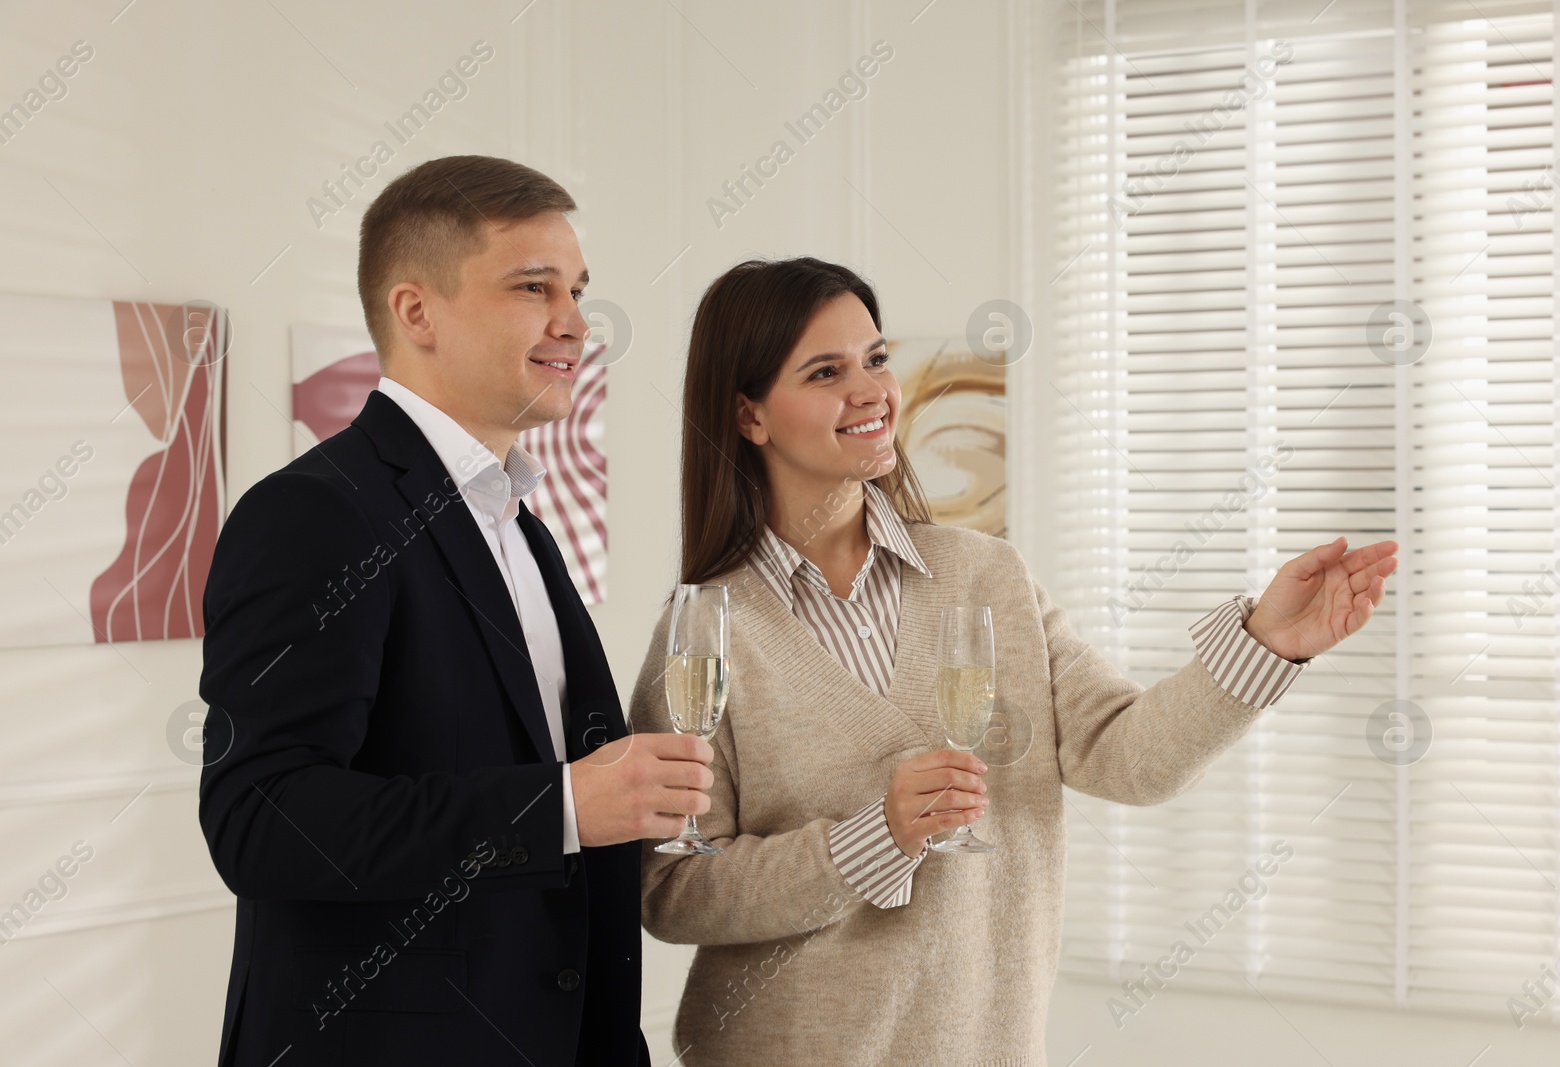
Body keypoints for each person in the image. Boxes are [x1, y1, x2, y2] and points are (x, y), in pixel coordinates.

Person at [630, 256, 1398, 1065]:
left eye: (877, 359)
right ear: (749, 417)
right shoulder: (708, 628)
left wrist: (1265, 644)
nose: (871, 391)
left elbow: (1129, 757)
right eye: (827, 371)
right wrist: (872, 837)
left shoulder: (986, 572)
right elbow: (673, 889)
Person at [197, 155, 713, 1067]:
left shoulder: (522, 526)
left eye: (578, 290)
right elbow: (263, 819)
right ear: (416, 311)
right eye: (533, 287)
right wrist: (559, 804)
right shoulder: (314, 512)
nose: (575, 324)